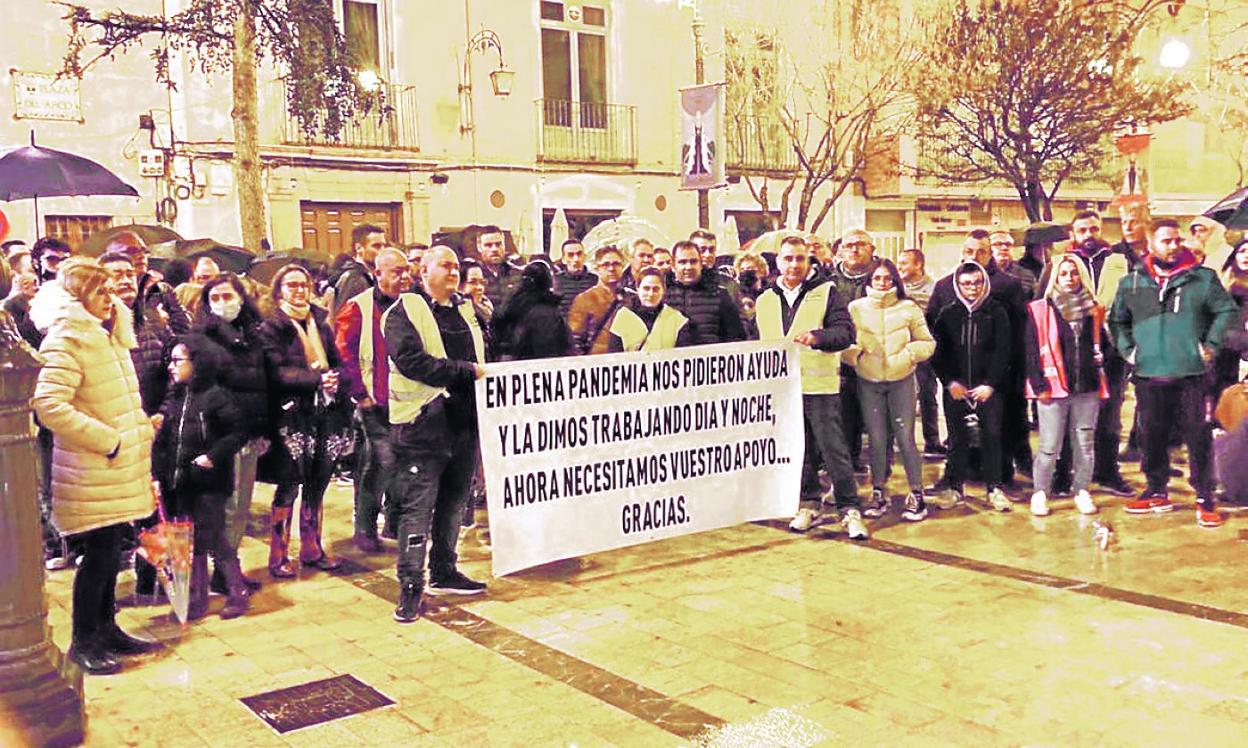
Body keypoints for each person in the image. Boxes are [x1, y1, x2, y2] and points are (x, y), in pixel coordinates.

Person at [30, 257, 160, 675]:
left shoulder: (110, 333)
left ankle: (107, 629)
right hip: (93, 466)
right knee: (99, 555)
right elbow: (47, 405)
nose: (110, 297)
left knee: (110, 551)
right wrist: (109, 440)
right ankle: (84, 641)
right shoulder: (67, 338)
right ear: (77, 296)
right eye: (99, 291)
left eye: (110, 289)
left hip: (117, 465)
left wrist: (137, 432)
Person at [1110, 219, 1239, 527]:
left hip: (1191, 375)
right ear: (1151, 245)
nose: (1174, 245)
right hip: (1149, 374)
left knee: (1197, 437)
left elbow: (1227, 311)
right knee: (1150, 436)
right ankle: (1156, 488)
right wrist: (1129, 350)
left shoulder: (1201, 279)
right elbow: (1117, 321)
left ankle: (1204, 496)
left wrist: (1209, 345)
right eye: (1166, 241)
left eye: (1177, 240)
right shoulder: (1134, 282)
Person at [383, 247, 488, 622]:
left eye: (457, 266)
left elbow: (484, 358)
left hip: (462, 423)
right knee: (418, 510)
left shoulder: (466, 310)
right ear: (423, 271)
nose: (454, 271)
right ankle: (410, 586)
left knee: (453, 505)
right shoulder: (403, 312)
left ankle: (445, 569)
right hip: (422, 427)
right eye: (445, 265)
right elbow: (412, 362)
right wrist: (464, 371)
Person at [757, 236, 867, 540]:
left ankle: (849, 508)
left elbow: (845, 333)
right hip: (782, 389)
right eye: (788, 258)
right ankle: (808, 502)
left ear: (809, 262)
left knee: (834, 450)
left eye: (800, 259)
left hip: (819, 386)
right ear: (777, 262)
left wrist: (819, 338)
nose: (794, 264)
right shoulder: (765, 298)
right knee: (799, 449)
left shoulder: (826, 292)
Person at [259, 264, 352, 577]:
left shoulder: (320, 321)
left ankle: (312, 547)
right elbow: (275, 370)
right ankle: (278, 553)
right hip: (291, 413)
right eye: (291, 285)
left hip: (325, 411)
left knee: (318, 481)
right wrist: (316, 379)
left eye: (303, 285)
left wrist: (337, 379)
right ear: (279, 290)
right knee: (289, 484)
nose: (298, 291)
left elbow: (335, 359)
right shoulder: (272, 326)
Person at [153, 337, 250, 620]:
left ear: (197, 363)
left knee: (215, 537)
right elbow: (164, 442)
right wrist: (159, 474)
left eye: (177, 360)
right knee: (187, 541)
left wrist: (212, 456)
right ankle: (196, 598)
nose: (171, 367)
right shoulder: (176, 397)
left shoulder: (216, 396)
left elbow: (237, 431)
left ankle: (236, 591)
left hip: (209, 482)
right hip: (181, 482)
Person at [843, 259, 935, 521]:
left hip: (901, 379)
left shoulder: (909, 308)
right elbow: (845, 340)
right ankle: (878, 489)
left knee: (906, 436)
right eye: (878, 278)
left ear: (895, 281)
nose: (883, 283)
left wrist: (908, 355)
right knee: (877, 437)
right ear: (869, 281)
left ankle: (916, 492)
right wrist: (856, 357)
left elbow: (927, 342)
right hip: (868, 381)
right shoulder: (856, 308)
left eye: (887, 278)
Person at [334, 248, 412, 553]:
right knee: (379, 464)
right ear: (378, 274)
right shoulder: (359, 307)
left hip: (406, 402)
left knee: (405, 463)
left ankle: (394, 522)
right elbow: (343, 353)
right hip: (374, 401)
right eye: (397, 272)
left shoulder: (412, 304)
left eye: (407, 270)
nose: (404, 277)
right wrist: (360, 395)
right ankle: (365, 526)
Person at [196, 273, 269, 594]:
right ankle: (225, 570)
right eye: (215, 298)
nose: (223, 304)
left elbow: (263, 385)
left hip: (250, 433)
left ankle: (229, 565)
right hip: (221, 436)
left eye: (228, 296)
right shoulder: (202, 339)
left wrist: (263, 429)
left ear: (242, 298)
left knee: (241, 506)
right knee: (225, 505)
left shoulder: (254, 335)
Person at [1024, 255, 1106, 517]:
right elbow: (1031, 351)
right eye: (1064, 273)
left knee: (1084, 444)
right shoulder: (1040, 310)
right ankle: (1040, 492)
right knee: (1049, 445)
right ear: (1054, 277)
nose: (1069, 278)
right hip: (1053, 389)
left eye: (1074, 273)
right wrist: (1039, 386)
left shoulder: (1094, 310)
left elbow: (1103, 345)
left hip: (1087, 389)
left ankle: (1081, 489)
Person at [929, 261, 1013, 511]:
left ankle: (994, 488)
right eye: (966, 283)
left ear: (984, 282)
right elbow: (939, 354)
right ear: (958, 285)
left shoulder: (997, 312)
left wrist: (990, 384)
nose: (973, 288)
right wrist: (950, 382)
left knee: (992, 436)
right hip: (956, 390)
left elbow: (1004, 351)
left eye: (977, 282)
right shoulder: (947, 314)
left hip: (988, 390)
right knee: (957, 439)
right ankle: (955, 487)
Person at [1066, 210, 1134, 497]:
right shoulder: (1063, 262)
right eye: (1082, 230)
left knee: (1110, 417)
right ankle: (1069, 472)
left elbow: (1135, 300)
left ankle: (1108, 472)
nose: (1088, 235)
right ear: (1074, 234)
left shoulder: (1118, 261)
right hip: (1075, 350)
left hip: (1112, 350)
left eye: (1093, 228)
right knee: (1073, 415)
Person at [827, 229, 882, 474]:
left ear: (872, 249)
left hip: (877, 354)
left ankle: (881, 468)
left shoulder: (883, 276)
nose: (854, 249)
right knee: (844, 412)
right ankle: (848, 460)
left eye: (861, 244)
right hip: (840, 356)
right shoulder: (828, 281)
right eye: (849, 244)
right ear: (840, 250)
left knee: (877, 416)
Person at [898, 248, 942, 457]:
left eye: (905, 263)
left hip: (924, 349)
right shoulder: (896, 288)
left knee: (926, 393)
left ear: (918, 265)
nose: (900, 267)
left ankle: (932, 440)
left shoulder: (935, 289)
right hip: (899, 349)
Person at [104, 232, 192, 334]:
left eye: (144, 251)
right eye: (131, 251)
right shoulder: (103, 296)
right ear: (110, 257)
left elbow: (185, 330)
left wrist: (162, 324)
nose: (141, 256)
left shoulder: (161, 290)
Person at [664, 240, 747, 345]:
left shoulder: (720, 295)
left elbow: (736, 337)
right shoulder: (663, 298)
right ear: (673, 266)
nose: (688, 267)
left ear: (701, 264)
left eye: (693, 261)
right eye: (682, 262)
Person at [490, 261, 572, 360]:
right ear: (548, 281)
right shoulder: (545, 314)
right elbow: (549, 354)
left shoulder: (510, 307)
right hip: (541, 370)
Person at [607, 267, 695, 351]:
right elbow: (614, 357)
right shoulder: (623, 317)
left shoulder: (677, 320)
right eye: (646, 288)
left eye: (656, 289)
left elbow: (683, 357)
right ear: (638, 289)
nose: (651, 294)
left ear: (663, 291)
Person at [568, 245, 629, 355]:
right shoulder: (584, 299)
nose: (611, 268)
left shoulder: (630, 298)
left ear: (623, 267)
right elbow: (575, 339)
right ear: (597, 269)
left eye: (616, 264)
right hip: (597, 363)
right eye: (606, 265)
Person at [332, 224, 385, 314]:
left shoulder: (370, 276)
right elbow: (345, 319)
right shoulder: (354, 279)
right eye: (376, 246)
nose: (382, 251)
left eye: (384, 246)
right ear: (359, 248)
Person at [475, 225, 522, 308]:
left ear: (504, 246)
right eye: (488, 245)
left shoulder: (518, 274)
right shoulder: (474, 277)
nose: (494, 249)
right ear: (479, 247)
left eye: (498, 244)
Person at [555, 240, 598, 319]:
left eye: (579, 254)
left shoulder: (595, 280)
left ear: (584, 256)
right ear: (564, 259)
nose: (576, 259)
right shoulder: (555, 281)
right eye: (570, 255)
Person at [989, 229, 1038, 299]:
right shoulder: (982, 272)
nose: (1004, 248)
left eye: (1008, 244)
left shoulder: (1025, 275)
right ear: (988, 248)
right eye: (998, 244)